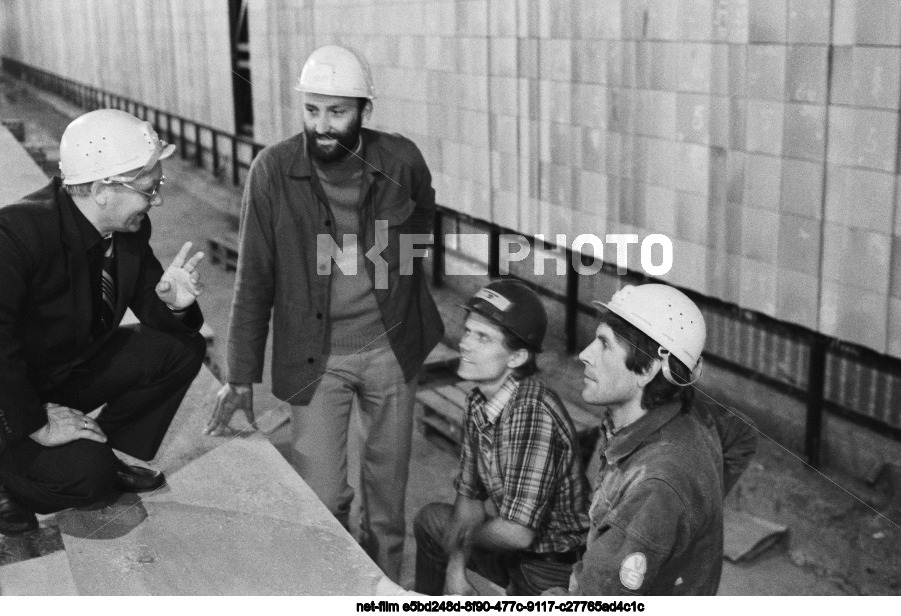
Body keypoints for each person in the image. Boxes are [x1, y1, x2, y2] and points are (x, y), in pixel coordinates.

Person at [208, 44, 444, 581]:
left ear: (364, 110)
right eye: (311, 110)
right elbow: (253, 279)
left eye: (336, 111)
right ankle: (332, 588)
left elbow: (425, 224)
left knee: (387, 501)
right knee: (321, 495)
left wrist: (395, 273)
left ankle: (379, 589)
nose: (321, 125)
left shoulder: (401, 160)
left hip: (391, 348)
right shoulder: (272, 171)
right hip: (317, 357)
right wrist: (239, 375)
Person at [0, 109, 207, 534]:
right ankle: (8, 481)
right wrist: (37, 424)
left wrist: (174, 304)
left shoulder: (128, 227)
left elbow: (150, 302)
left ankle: (102, 448)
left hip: (59, 373)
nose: (158, 200)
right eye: (150, 189)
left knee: (181, 348)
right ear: (101, 190)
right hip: (10, 392)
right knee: (86, 478)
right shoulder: (17, 235)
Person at [553, 283, 738, 595]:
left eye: (605, 345)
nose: (585, 354)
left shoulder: (657, 482)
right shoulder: (677, 421)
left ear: (649, 368)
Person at [413, 280, 590, 596]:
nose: (465, 344)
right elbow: (469, 497)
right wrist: (455, 567)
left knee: (453, 530)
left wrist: (460, 541)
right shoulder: (478, 401)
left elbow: (517, 534)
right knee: (431, 522)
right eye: (468, 332)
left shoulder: (532, 412)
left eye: (482, 338)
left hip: (548, 569)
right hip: (511, 552)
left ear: (517, 358)